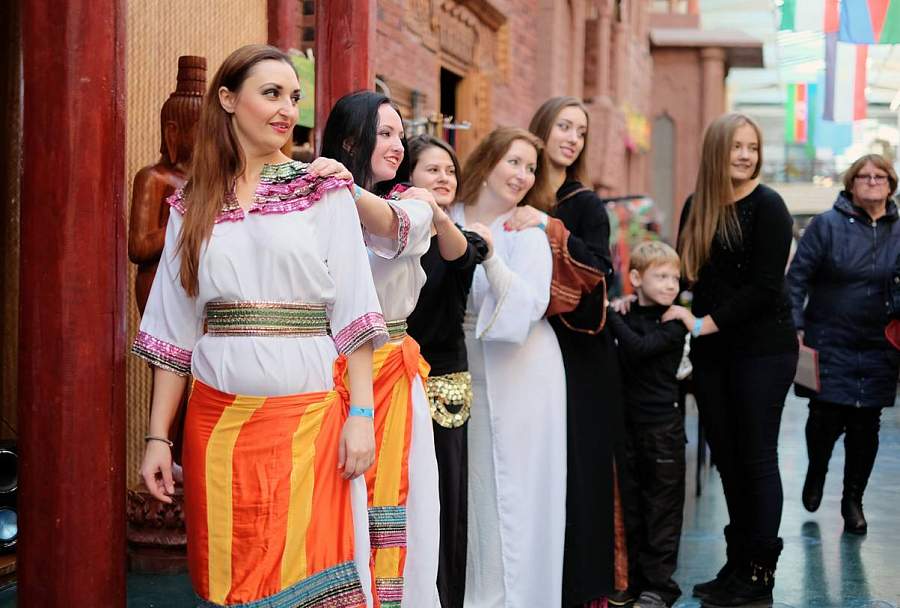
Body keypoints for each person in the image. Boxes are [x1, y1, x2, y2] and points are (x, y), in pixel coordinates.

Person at [134, 44, 387, 607]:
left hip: (309, 421)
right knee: (229, 582)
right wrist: (156, 438)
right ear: (227, 99)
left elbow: (355, 310)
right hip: (215, 426)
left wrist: (362, 416)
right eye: (271, 93)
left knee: (308, 581)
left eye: (293, 97)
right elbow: (173, 334)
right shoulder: (191, 203)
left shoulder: (321, 190)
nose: (286, 109)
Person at [664, 112, 798, 607]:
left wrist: (703, 323)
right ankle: (737, 565)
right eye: (737, 146)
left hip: (763, 350)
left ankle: (759, 575)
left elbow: (765, 288)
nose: (745, 155)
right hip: (713, 355)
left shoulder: (770, 207)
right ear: (717, 151)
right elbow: (686, 278)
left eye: (752, 147)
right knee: (727, 460)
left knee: (756, 458)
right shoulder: (697, 206)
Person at [321, 91, 442, 607]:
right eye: (385, 133)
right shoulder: (312, 208)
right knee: (332, 505)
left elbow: (394, 227)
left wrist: (341, 188)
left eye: (401, 136)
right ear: (351, 141)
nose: (397, 146)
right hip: (325, 377)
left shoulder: (413, 203)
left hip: (391, 371)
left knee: (403, 506)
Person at [506, 96, 626, 606]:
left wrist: (548, 228)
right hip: (520, 349)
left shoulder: (584, 204)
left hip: (581, 352)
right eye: (564, 126)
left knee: (578, 465)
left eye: (581, 131)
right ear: (541, 129)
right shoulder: (514, 189)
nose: (573, 138)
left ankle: (581, 587)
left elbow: (599, 273)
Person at [449, 127, 567, 607]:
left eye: (530, 168)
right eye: (513, 162)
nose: (522, 175)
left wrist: (492, 257)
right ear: (488, 160)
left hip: (522, 371)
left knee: (515, 489)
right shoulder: (449, 216)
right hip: (455, 365)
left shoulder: (526, 231)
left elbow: (529, 305)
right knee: (468, 485)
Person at [786, 154, 900, 534]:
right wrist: (796, 326)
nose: (872, 181)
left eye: (880, 176)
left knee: (866, 426)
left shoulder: (899, 230)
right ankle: (816, 470)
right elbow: (797, 279)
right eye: (863, 176)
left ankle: (853, 500)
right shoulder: (825, 226)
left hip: (880, 343)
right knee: (824, 418)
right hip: (829, 339)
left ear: (891, 184)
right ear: (851, 184)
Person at [405, 134, 491, 608]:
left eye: (450, 171)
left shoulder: (462, 237)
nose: (444, 177)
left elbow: (461, 256)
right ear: (409, 176)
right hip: (393, 379)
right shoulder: (391, 232)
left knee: (444, 497)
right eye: (432, 169)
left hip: (442, 384)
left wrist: (437, 215)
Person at [606, 241, 687, 608]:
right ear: (636, 279)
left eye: (675, 278)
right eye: (662, 276)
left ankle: (660, 586)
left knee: (662, 509)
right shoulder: (626, 314)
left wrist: (611, 313)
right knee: (633, 507)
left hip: (662, 429)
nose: (671, 285)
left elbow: (639, 348)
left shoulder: (674, 323)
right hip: (627, 426)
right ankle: (634, 581)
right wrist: (618, 310)